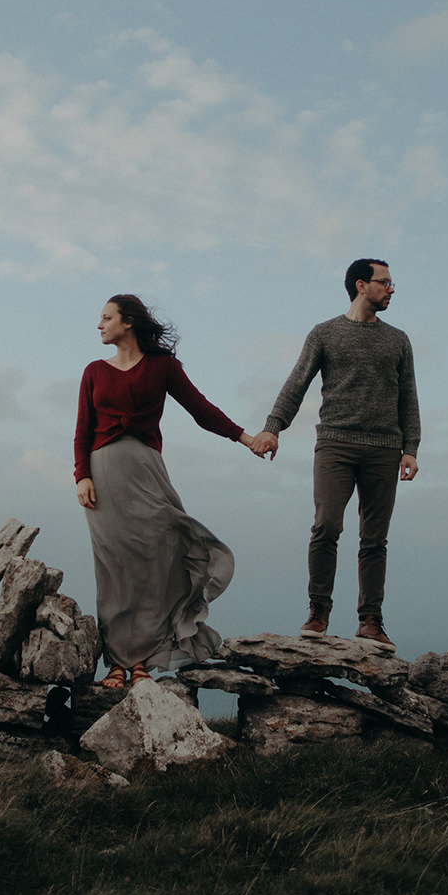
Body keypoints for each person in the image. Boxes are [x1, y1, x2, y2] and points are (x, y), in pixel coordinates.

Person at [74, 294, 263, 689]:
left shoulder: (162, 367)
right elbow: (83, 429)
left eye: (106, 317)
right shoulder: (93, 371)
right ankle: (116, 662)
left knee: (155, 562)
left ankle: (143, 656)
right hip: (103, 476)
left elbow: (201, 410)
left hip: (146, 474)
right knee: (113, 568)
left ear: (128, 322)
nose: (99, 325)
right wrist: (82, 476)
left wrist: (246, 438)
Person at [251, 259, 419, 651]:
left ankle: (370, 620)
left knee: (374, 539)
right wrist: (272, 427)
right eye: (385, 282)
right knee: (326, 527)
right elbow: (297, 383)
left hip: (384, 449)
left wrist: (411, 448)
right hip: (335, 445)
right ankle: (318, 611)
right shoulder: (325, 334)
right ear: (362, 285)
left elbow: (408, 396)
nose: (392, 289)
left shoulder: (398, 340)